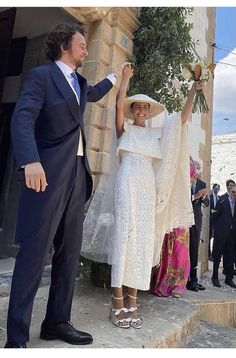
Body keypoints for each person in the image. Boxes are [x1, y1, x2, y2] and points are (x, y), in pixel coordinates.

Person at [4, 23, 127, 348]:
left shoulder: (78, 82)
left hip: (76, 175)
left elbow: (95, 93)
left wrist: (115, 76)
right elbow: (23, 116)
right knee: (34, 255)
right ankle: (16, 338)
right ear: (64, 46)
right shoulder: (42, 77)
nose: (86, 49)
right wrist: (30, 159)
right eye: (82, 44)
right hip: (47, 174)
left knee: (69, 253)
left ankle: (56, 321)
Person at [82, 64, 205, 328]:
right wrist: (124, 79)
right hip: (126, 180)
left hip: (147, 185)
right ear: (132, 109)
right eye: (137, 106)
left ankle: (133, 299)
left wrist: (193, 92)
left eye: (145, 107)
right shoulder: (124, 130)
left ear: (149, 113)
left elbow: (180, 120)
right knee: (124, 234)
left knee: (142, 241)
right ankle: (117, 299)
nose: (140, 110)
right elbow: (117, 106)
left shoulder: (155, 134)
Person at [150, 163, 197, 299]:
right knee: (168, 251)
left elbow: (189, 191)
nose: (194, 178)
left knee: (181, 252)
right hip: (170, 216)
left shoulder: (190, 164)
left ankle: (178, 286)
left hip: (182, 218)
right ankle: (163, 283)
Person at [187, 161, 209, 292]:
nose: (198, 170)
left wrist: (204, 196)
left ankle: (193, 280)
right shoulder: (185, 181)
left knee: (194, 251)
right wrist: (196, 196)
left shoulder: (202, 184)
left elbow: (206, 204)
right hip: (183, 220)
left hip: (196, 221)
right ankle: (181, 279)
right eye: (196, 168)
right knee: (183, 251)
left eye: (199, 168)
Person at [211, 186, 236, 288]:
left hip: (232, 235)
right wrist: (217, 229)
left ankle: (229, 279)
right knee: (217, 256)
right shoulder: (222, 202)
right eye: (233, 192)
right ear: (229, 192)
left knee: (230, 257)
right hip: (221, 234)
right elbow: (214, 217)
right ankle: (215, 277)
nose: (235, 194)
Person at [209, 183, 220, 261]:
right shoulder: (210, 197)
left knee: (216, 238)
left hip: (218, 222)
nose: (217, 190)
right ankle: (209, 255)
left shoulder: (220, 198)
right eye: (215, 188)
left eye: (218, 189)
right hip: (210, 220)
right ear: (213, 189)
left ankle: (214, 255)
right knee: (209, 237)